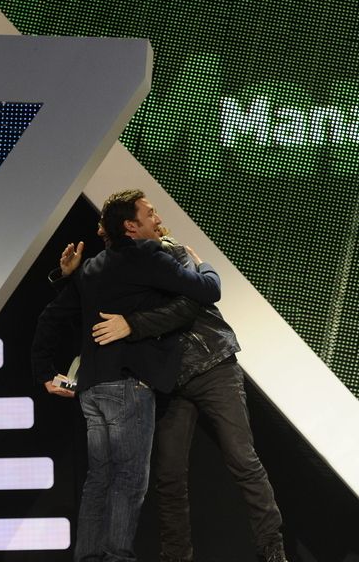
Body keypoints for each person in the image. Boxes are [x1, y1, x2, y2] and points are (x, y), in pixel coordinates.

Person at [62, 224, 287, 562]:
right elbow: (95, 307)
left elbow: (192, 304)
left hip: (213, 364)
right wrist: (73, 276)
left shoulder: (169, 250)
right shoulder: (119, 267)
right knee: (168, 476)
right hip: (169, 381)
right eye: (150, 213)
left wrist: (134, 324)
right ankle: (175, 556)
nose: (158, 219)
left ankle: (273, 550)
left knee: (242, 458)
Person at [31, 189, 221, 562]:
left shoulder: (94, 267)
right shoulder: (147, 255)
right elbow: (207, 290)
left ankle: (88, 558)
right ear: (131, 226)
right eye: (149, 213)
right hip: (128, 386)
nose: (156, 218)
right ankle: (117, 556)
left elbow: (49, 317)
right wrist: (204, 264)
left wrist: (44, 373)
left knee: (98, 480)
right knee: (129, 480)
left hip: (91, 389)